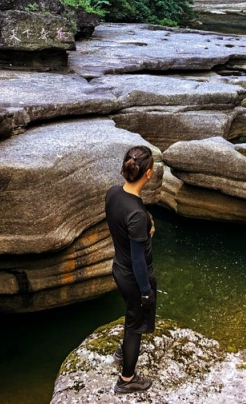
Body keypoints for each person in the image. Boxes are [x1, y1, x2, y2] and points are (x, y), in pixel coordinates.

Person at [104, 145, 157, 394]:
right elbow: (138, 259)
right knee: (136, 324)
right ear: (147, 173)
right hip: (135, 277)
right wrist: (146, 290)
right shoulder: (137, 214)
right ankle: (127, 380)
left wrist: (147, 223)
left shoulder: (114, 193)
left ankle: (123, 351)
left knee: (130, 314)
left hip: (119, 269)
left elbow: (126, 221)